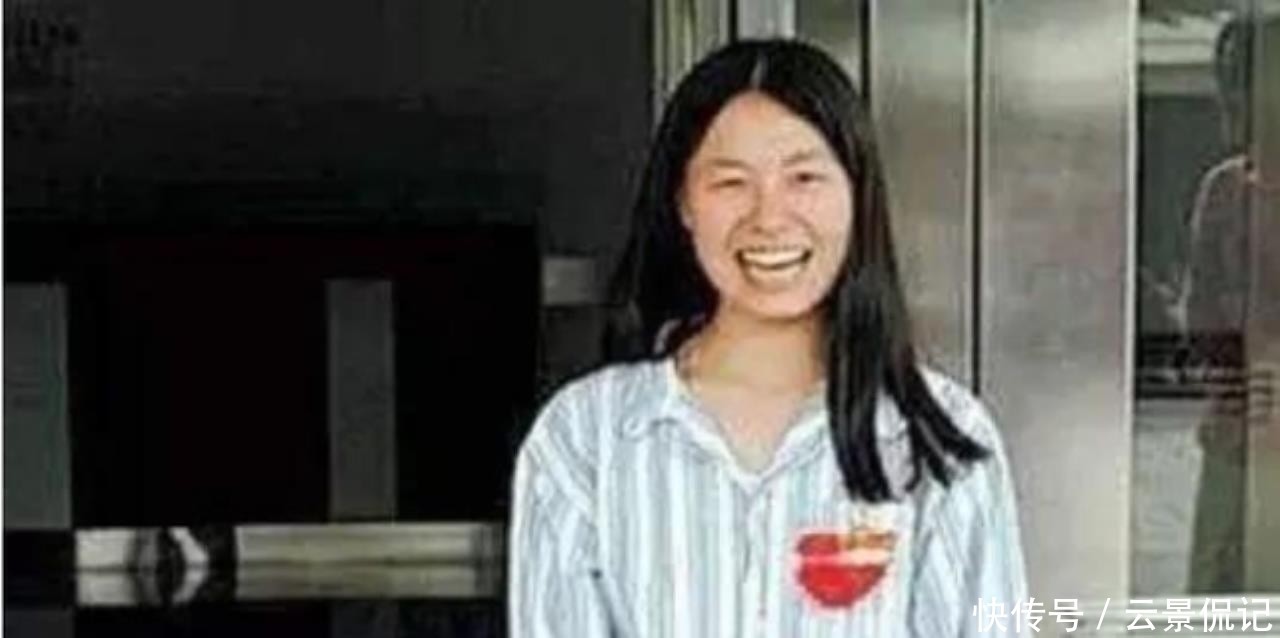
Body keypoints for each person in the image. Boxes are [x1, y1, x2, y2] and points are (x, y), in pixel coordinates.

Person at [508, 39, 1027, 637]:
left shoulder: (940, 438)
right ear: (683, 203)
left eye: (804, 178)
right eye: (731, 183)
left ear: (856, 195)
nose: (770, 218)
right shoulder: (584, 439)